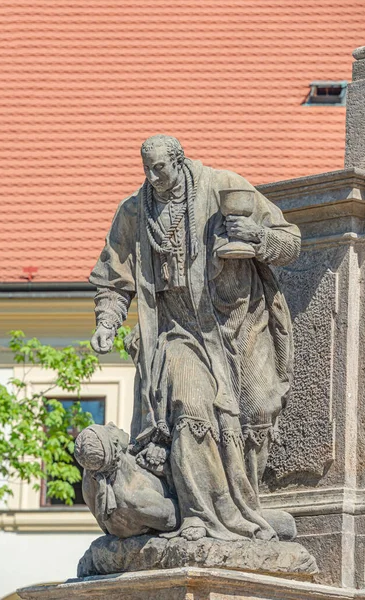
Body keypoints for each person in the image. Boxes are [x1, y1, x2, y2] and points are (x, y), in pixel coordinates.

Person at [89, 134, 301, 542]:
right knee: (190, 405)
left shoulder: (225, 188)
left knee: (258, 410)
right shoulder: (134, 212)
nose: (152, 176)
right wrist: (107, 322)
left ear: (179, 160)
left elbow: (290, 243)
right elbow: (114, 281)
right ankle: (198, 515)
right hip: (175, 329)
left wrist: (256, 236)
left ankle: (246, 507)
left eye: (160, 168)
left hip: (240, 323)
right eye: (146, 168)